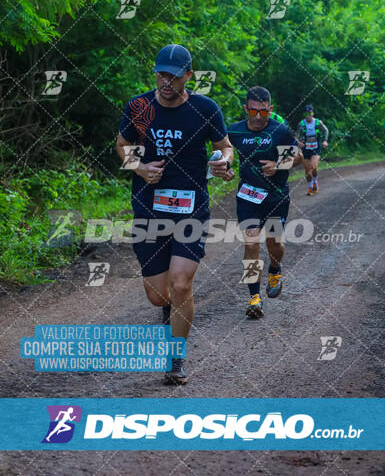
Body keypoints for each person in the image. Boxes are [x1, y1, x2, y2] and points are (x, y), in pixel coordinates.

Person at [116, 44, 233, 384]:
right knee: (159, 295)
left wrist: (224, 161)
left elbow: (224, 146)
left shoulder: (205, 109)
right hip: (149, 210)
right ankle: (169, 309)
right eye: (160, 74)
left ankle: (175, 358)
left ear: (188, 76)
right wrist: (139, 168)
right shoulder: (139, 107)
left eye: (173, 75)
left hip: (190, 208)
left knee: (181, 284)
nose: (165, 81)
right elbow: (121, 145)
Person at [224, 87, 302, 319]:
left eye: (263, 112)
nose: (258, 117)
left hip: (277, 196)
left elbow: (298, 156)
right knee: (251, 244)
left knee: (273, 244)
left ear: (270, 110)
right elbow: (223, 152)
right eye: (253, 111)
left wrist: (278, 165)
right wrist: (225, 169)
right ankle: (254, 298)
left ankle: (275, 269)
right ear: (246, 109)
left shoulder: (280, 131)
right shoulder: (234, 131)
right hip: (248, 197)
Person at [296, 104, 328, 195]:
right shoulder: (301, 124)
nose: (308, 115)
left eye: (309, 113)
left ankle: (315, 183)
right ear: (304, 114)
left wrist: (325, 140)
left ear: (313, 113)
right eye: (306, 113)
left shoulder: (318, 122)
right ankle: (310, 187)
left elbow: (326, 130)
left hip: (315, 148)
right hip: (305, 149)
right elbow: (296, 136)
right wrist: (299, 142)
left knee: (314, 167)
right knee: (307, 170)